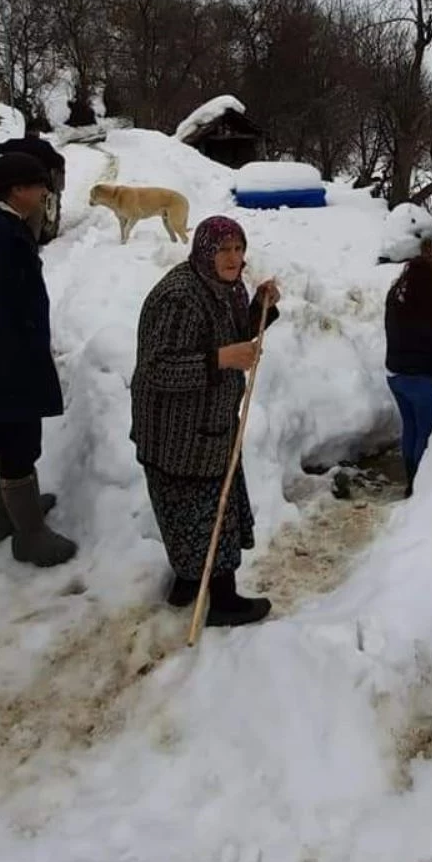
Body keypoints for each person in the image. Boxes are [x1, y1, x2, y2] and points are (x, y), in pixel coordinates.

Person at [130, 215, 280, 627]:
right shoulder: (179, 298)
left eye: (238, 248)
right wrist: (222, 359)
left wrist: (260, 307)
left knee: (195, 510)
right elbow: (157, 368)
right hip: (176, 432)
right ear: (204, 251)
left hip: (207, 426)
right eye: (223, 249)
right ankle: (223, 602)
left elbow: (234, 331)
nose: (233, 258)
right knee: (203, 512)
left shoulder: (224, 287)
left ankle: (189, 579)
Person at [0, 152, 77, 564]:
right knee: (21, 438)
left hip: (3, 356)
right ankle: (30, 537)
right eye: (39, 186)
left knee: (4, 430)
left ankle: (7, 515)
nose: (44, 193)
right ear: (17, 189)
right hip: (7, 359)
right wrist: (7, 360)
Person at [384, 256, 432, 497]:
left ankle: (409, 477)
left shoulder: (396, 295)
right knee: (425, 430)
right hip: (419, 376)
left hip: (394, 373)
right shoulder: (425, 303)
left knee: (409, 426)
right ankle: (419, 484)